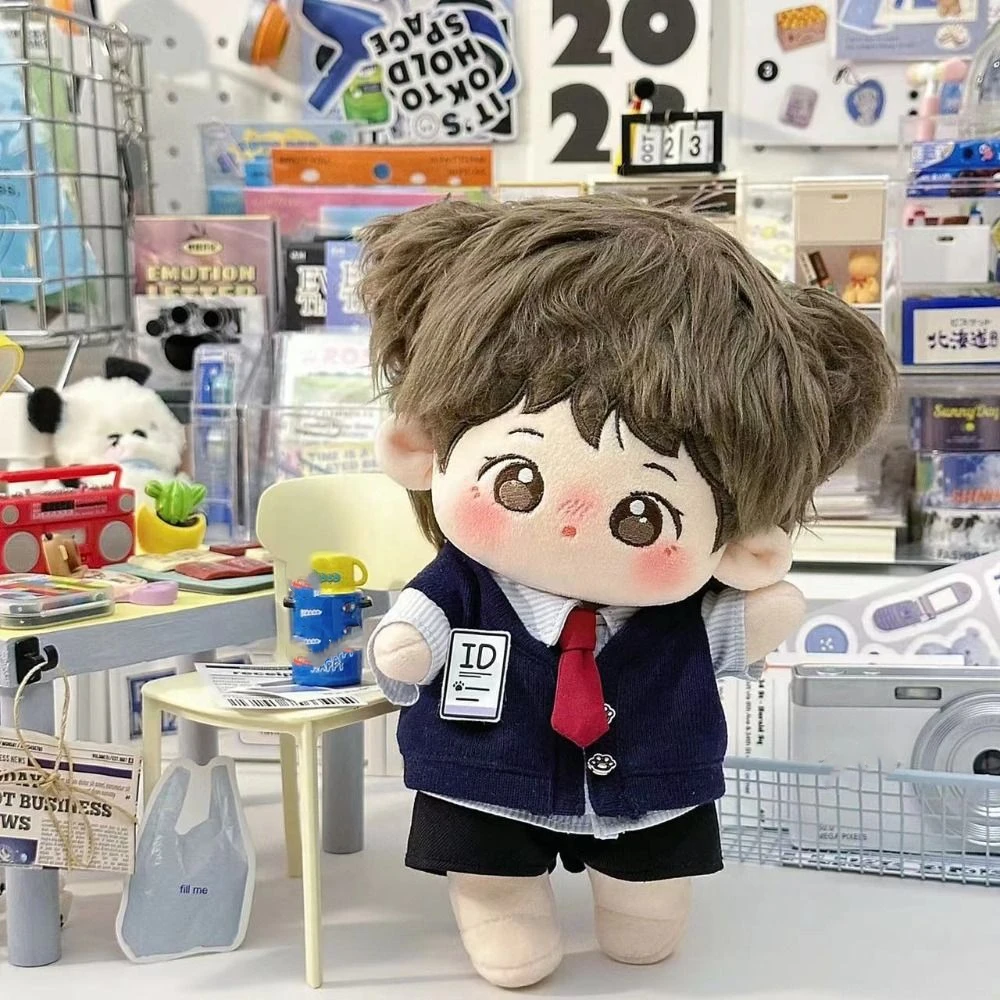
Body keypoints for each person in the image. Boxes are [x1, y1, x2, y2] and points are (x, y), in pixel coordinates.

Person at [359, 198, 896, 988]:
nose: (572, 523)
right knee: (489, 864)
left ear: (742, 546)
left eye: (641, 516)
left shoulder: (686, 614)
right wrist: (406, 649)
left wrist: (760, 614)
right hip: (485, 778)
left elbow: (748, 625)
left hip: (652, 784)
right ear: (420, 448)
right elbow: (409, 640)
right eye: (518, 480)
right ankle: (504, 907)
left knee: (649, 881)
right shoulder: (460, 589)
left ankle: (636, 899)